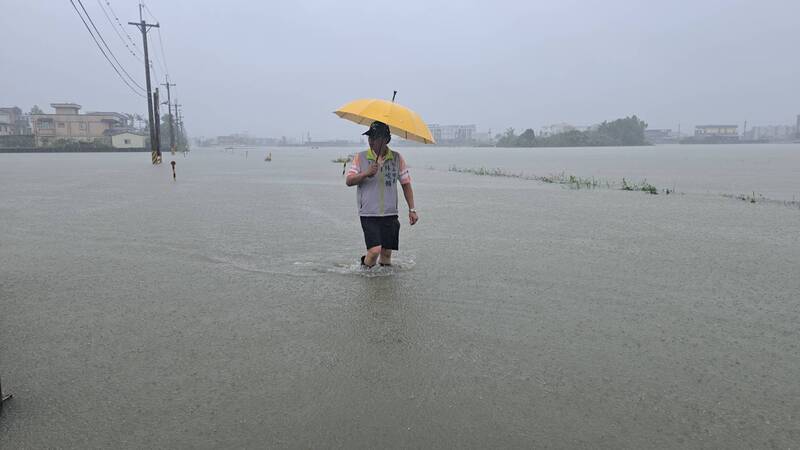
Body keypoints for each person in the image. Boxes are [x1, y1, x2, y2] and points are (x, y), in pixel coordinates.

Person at [345, 121, 418, 268]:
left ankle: (384, 286)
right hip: (368, 212)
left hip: (390, 213)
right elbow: (349, 180)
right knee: (374, 251)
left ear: (386, 140)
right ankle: (365, 274)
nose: (370, 141)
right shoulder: (361, 157)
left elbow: (406, 184)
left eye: (375, 137)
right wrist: (366, 173)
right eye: (369, 137)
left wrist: (412, 209)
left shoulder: (397, 158)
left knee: (386, 254)